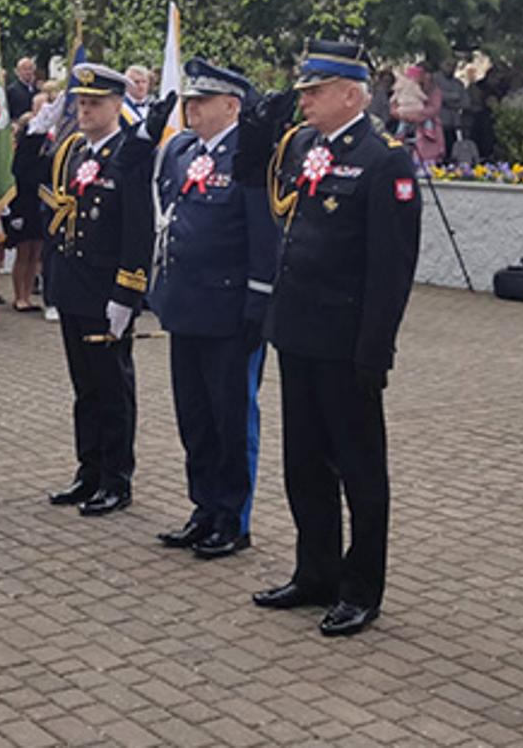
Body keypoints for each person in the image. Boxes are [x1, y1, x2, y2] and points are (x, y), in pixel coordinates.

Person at [248, 40, 421, 638]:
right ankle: (315, 571)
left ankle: (360, 588)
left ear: (353, 95)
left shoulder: (384, 160)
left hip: (347, 343)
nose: (304, 102)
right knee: (304, 465)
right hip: (297, 333)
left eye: (314, 92)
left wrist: (376, 349)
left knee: (360, 470)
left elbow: (391, 269)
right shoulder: (302, 146)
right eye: (303, 92)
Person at [147, 59, 278, 560]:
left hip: (229, 311)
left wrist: (258, 303)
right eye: (189, 101)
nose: (192, 109)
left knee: (231, 418)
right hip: (187, 306)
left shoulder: (249, 156)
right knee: (195, 417)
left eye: (202, 102)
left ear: (232, 106)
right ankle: (203, 507)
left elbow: (264, 235)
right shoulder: (182, 150)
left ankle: (232, 517)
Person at [39, 63, 153, 517]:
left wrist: (127, 293)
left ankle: (116, 478)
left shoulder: (130, 153)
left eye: (94, 104)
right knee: (84, 387)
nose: (85, 111)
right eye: (81, 103)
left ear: (117, 105)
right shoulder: (73, 152)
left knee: (112, 387)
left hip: (107, 289)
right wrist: (36, 129)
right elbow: (27, 173)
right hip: (73, 286)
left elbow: (137, 230)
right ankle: (88, 471)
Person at [4, 90, 50, 313]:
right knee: (23, 251)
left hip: (41, 200)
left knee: (36, 251)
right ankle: (19, 296)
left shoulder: (53, 136)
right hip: (23, 200)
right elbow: (19, 170)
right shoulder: (27, 133)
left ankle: (29, 294)